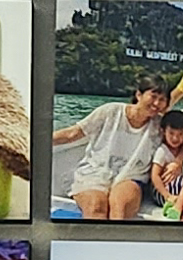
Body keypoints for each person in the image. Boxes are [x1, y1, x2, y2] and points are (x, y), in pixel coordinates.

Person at [51, 78, 173, 221]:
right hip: (94, 173)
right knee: (96, 207)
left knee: (120, 208)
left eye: (162, 99)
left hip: (131, 177)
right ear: (139, 95)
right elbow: (72, 133)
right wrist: (35, 139)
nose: (156, 103)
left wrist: (178, 162)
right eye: (153, 97)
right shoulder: (111, 112)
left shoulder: (161, 125)